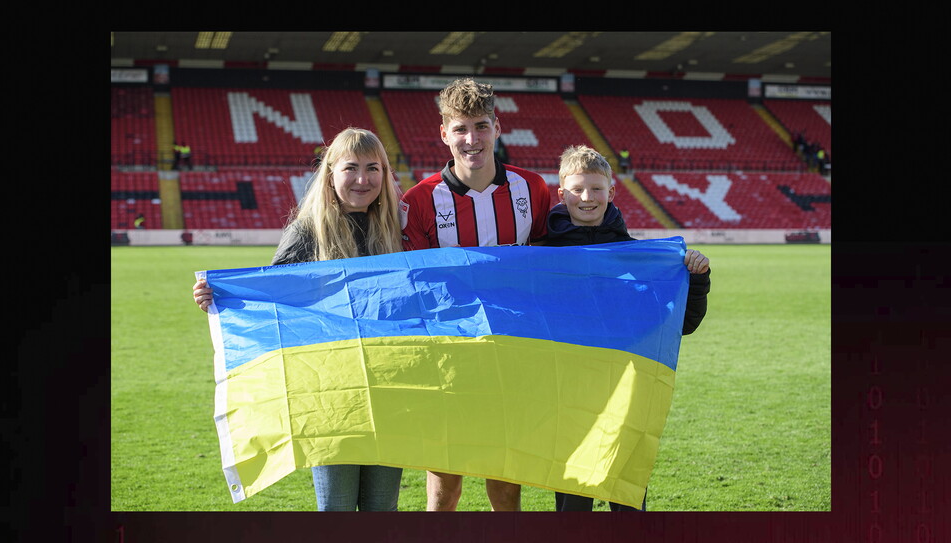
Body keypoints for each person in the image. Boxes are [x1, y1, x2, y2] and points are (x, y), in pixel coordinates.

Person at [192, 127, 406, 511]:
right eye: (351, 168)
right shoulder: (308, 230)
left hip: (389, 389)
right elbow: (271, 294)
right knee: (336, 509)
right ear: (330, 174)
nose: (363, 179)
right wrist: (221, 297)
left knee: (383, 510)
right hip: (330, 393)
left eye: (373, 168)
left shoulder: (398, 230)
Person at [400, 77, 551, 511]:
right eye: (461, 129)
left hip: (513, 352)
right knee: (444, 481)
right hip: (448, 355)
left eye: (481, 126)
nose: (472, 139)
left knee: (505, 480)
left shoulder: (532, 189)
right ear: (445, 134)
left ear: (497, 128)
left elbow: (554, 262)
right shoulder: (422, 200)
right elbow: (413, 283)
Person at [546, 145, 711, 512]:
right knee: (572, 507)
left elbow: (682, 324)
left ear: (611, 192)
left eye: (596, 189)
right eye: (577, 189)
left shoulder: (639, 258)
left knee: (628, 505)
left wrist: (696, 280)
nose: (587, 197)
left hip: (624, 396)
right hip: (567, 400)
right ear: (561, 194)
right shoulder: (539, 254)